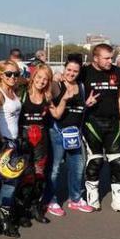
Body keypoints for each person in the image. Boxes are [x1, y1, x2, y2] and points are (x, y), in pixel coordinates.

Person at [78, 43, 120, 215]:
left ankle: (119, 201)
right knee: (95, 161)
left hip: (114, 122)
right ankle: (93, 197)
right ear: (95, 58)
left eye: (111, 57)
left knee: (119, 162)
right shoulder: (84, 72)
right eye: (106, 58)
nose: (110, 61)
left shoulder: (118, 73)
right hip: (92, 122)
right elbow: (69, 85)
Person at [45, 59, 93, 216]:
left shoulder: (81, 86)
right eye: (69, 70)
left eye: (75, 71)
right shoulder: (57, 85)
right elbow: (47, 91)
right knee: (55, 169)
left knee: (77, 166)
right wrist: (54, 78)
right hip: (57, 132)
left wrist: (87, 104)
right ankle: (50, 200)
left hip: (74, 133)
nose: (71, 73)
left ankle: (75, 199)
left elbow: (79, 109)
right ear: (64, 69)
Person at [16, 64, 52, 226]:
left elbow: (57, 112)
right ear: (33, 76)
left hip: (42, 138)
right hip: (24, 137)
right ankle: (21, 212)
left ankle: (35, 207)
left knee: (39, 174)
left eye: (45, 79)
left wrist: (65, 99)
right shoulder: (22, 92)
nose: (41, 81)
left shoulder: (48, 95)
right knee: (25, 175)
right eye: (39, 77)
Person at [0, 60, 23, 237]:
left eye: (16, 74)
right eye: (9, 74)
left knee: (6, 182)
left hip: (14, 141)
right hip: (4, 144)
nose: (13, 77)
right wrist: (1, 142)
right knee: (9, 183)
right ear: (0, 74)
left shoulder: (14, 91)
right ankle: (4, 221)